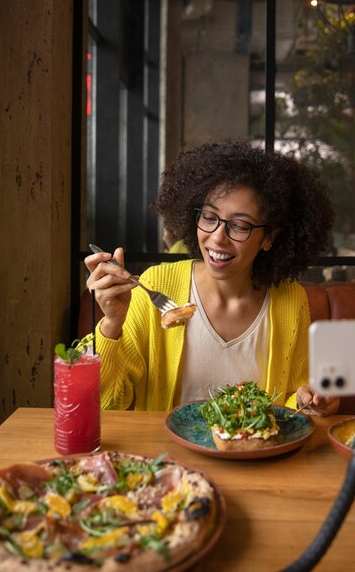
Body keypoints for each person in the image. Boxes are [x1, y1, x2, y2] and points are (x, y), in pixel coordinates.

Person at [85, 140, 339, 416]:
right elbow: (108, 403)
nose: (217, 237)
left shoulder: (290, 300)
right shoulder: (157, 286)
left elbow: (292, 399)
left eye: (239, 226)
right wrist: (111, 324)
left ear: (269, 238)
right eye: (209, 217)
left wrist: (308, 402)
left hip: (253, 455)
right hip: (169, 457)